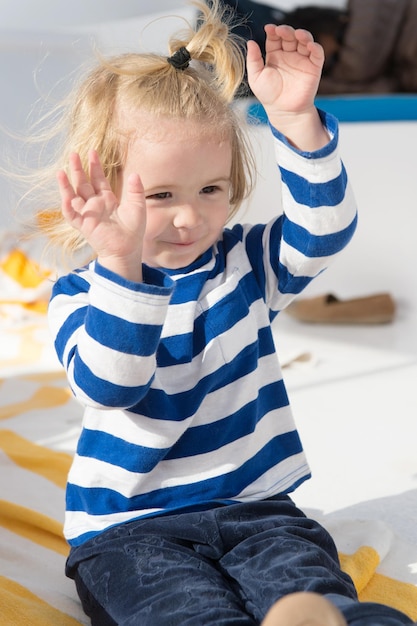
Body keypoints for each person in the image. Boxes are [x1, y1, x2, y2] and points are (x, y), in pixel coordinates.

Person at [36, 1, 413, 624]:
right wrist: (122, 264)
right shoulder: (84, 293)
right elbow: (112, 382)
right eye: (160, 196)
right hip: (132, 532)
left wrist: (296, 121)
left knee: (318, 598)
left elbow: (323, 231)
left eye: (210, 189)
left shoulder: (243, 260)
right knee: (186, 614)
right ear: (101, 186)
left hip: (263, 510)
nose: (190, 217)